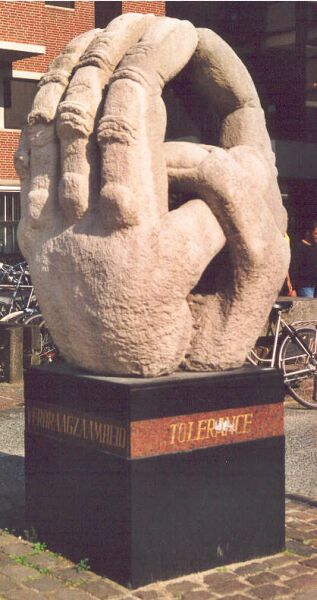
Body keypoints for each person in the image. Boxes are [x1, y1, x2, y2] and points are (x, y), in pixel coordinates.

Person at [294, 222, 317, 298]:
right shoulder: (299, 247)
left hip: (315, 285)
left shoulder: (315, 247)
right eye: (315, 233)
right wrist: (293, 288)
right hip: (305, 287)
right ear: (308, 233)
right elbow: (294, 269)